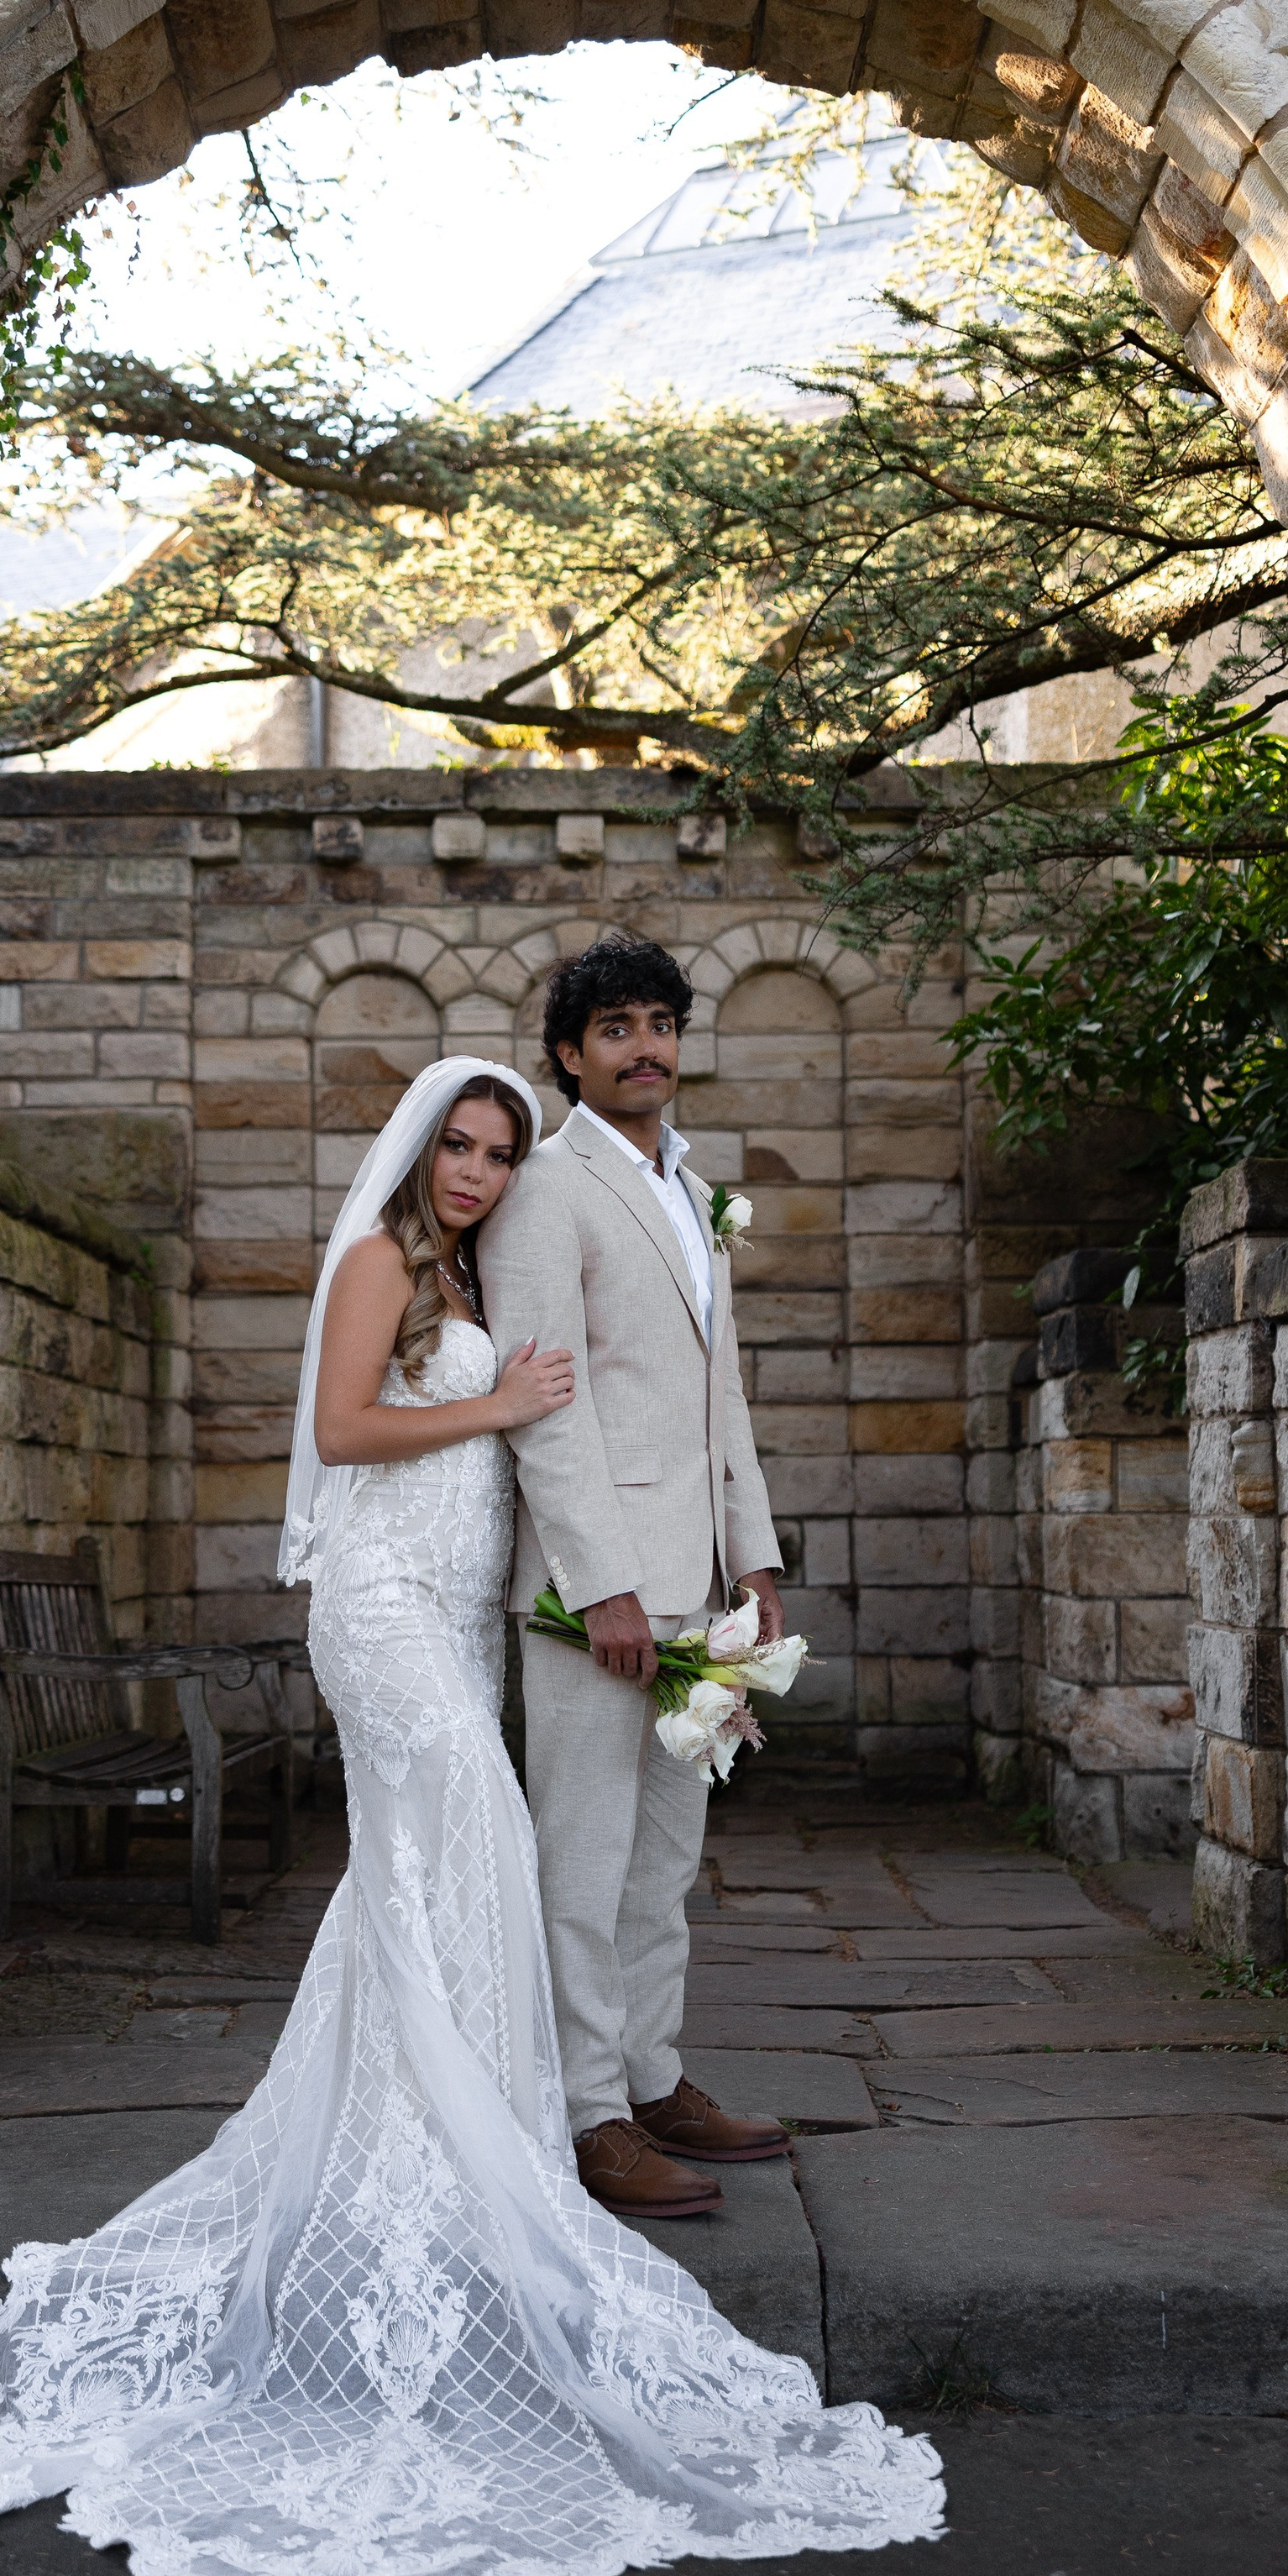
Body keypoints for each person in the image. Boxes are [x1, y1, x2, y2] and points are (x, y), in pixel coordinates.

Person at [0, 1056, 942, 2576]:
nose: (480, 1172)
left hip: (456, 1613)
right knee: (484, 1851)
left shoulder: (469, 1267)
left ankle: (438, 2147)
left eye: (501, 1153)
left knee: (425, 1883)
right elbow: (344, 1427)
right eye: (463, 1144)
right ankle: (485, 2142)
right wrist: (506, 1400)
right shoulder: (378, 1259)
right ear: (420, 1147)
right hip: (377, 1611)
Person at [477, 935, 788, 2218]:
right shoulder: (547, 1189)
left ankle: (654, 2079)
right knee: (584, 1859)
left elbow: (721, 1400)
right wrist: (597, 1583)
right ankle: (586, 2114)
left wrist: (757, 1560)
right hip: (590, 1596)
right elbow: (544, 1407)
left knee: (665, 1860)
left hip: (700, 1585)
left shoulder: (694, 1187)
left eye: (661, 1022)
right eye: (617, 1028)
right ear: (569, 1052)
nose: (645, 1046)